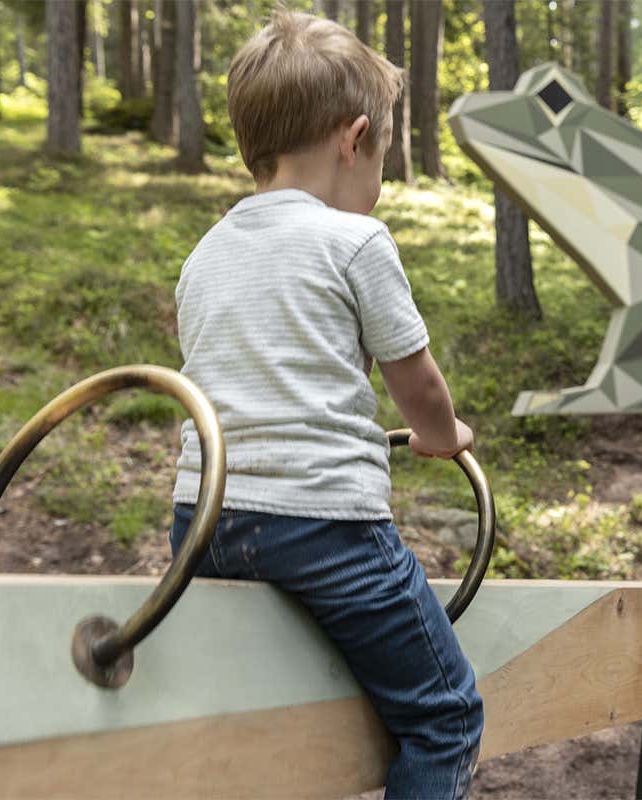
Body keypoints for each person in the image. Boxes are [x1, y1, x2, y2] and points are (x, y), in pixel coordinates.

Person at [168, 11, 482, 798]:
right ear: (356, 138)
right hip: (321, 524)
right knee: (446, 716)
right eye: (383, 156)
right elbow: (418, 385)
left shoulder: (204, 255)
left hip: (201, 520)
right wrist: (441, 438)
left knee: (254, 712)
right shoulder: (355, 240)